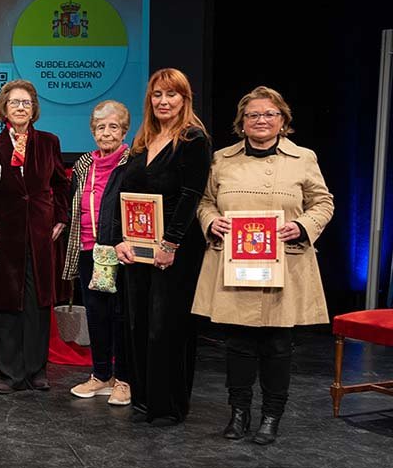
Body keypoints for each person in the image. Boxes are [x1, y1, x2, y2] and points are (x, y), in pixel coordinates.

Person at [192, 86, 333, 444]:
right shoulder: (222, 159)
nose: (261, 120)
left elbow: (323, 203)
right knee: (237, 344)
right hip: (234, 264)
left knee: (277, 346)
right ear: (242, 122)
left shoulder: (303, 158)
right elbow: (205, 202)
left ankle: (271, 416)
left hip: (285, 265)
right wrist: (211, 221)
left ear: (283, 120)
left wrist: (302, 226)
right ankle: (239, 413)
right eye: (253, 115)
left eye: (269, 114)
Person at [109, 68, 211, 425]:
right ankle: (145, 401)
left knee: (165, 326)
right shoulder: (141, 142)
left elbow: (190, 196)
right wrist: (121, 239)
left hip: (175, 250)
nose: (164, 101)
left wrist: (170, 244)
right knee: (137, 323)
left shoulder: (194, 139)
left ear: (185, 99)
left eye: (171, 94)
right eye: (157, 95)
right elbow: (125, 195)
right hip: (136, 248)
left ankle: (168, 405)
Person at [0, 80, 67, 394]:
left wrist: (60, 218)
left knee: (38, 302)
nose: (20, 107)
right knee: (7, 302)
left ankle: (36, 372)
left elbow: (61, 183)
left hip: (41, 234)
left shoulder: (49, 142)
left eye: (26, 103)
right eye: (14, 102)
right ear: (4, 108)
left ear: (34, 108)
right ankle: (9, 374)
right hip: (5, 233)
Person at [63, 100, 133, 406]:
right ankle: (101, 375)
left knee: (121, 316)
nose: (106, 133)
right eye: (101, 127)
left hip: (120, 252)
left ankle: (125, 379)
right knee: (96, 316)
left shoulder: (132, 164)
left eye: (113, 126)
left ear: (124, 130)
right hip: (88, 249)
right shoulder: (82, 164)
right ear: (93, 131)